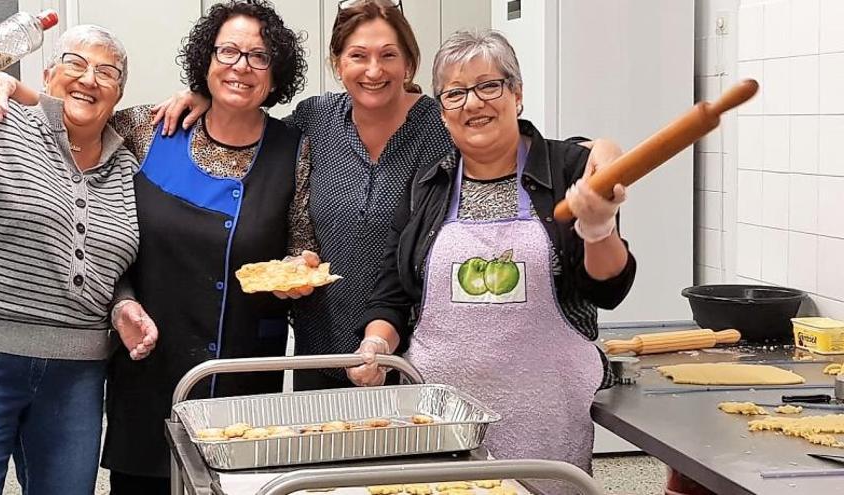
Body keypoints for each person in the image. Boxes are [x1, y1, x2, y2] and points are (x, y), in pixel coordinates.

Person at [150, 0, 624, 392]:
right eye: (358, 56)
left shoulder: (441, 123)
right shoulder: (314, 120)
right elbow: (252, 130)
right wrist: (207, 98)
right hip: (322, 346)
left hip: (414, 356)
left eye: (388, 55)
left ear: (410, 64)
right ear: (338, 64)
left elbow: (507, 143)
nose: (373, 70)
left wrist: (596, 149)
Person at [0, 1, 313, 491]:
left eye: (258, 56)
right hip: (146, 374)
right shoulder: (148, 128)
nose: (241, 65)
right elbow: (71, 114)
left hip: (239, 376)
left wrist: (299, 268)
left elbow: (302, 244)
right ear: (206, 61)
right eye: (228, 52)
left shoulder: (293, 148)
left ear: (276, 72)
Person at [347, 30, 637, 493]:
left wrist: (599, 228)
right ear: (443, 112)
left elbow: (608, 288)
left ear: (517, 94)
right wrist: (376, 346)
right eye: (456, 94)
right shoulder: (428, 185)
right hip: (439, 418)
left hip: (546, 419)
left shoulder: (567, 170)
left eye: (489, 86)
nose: (473, 103)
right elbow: (392, 293)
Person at [0, 23, 148, 495]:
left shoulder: (128, 166)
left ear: (119, 93)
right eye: (76, 63)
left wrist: (122, 303)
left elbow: (121, 259)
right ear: (48, 74)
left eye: (107, 72)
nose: (90, 79)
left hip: (77, 375)